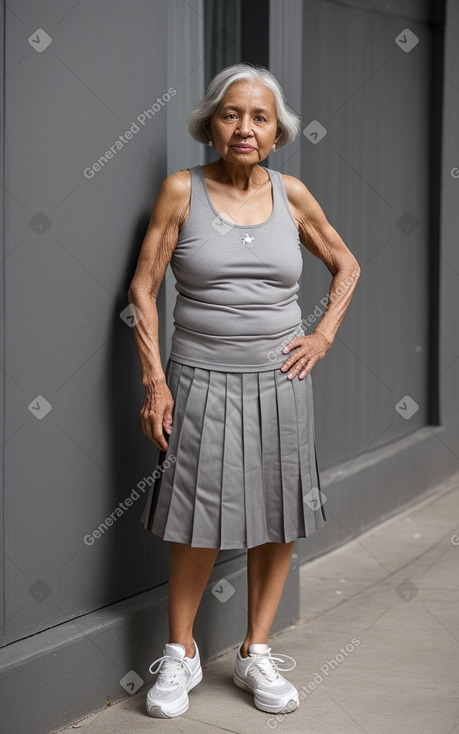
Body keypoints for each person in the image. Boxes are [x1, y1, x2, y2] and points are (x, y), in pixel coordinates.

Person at [127, 62, 360, 719]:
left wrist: (321, 337)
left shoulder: (294, 196)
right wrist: (155, 380)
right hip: (198, 377)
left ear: (276, 130)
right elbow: (143, 288)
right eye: (232, 114)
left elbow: (345, 264)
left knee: (278, 509)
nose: (244, 127)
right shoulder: (181, 191)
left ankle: (255, 651)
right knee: (196, 515)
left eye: (259, 116)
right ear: (211, 122)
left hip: (280, 380)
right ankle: (181, 653)